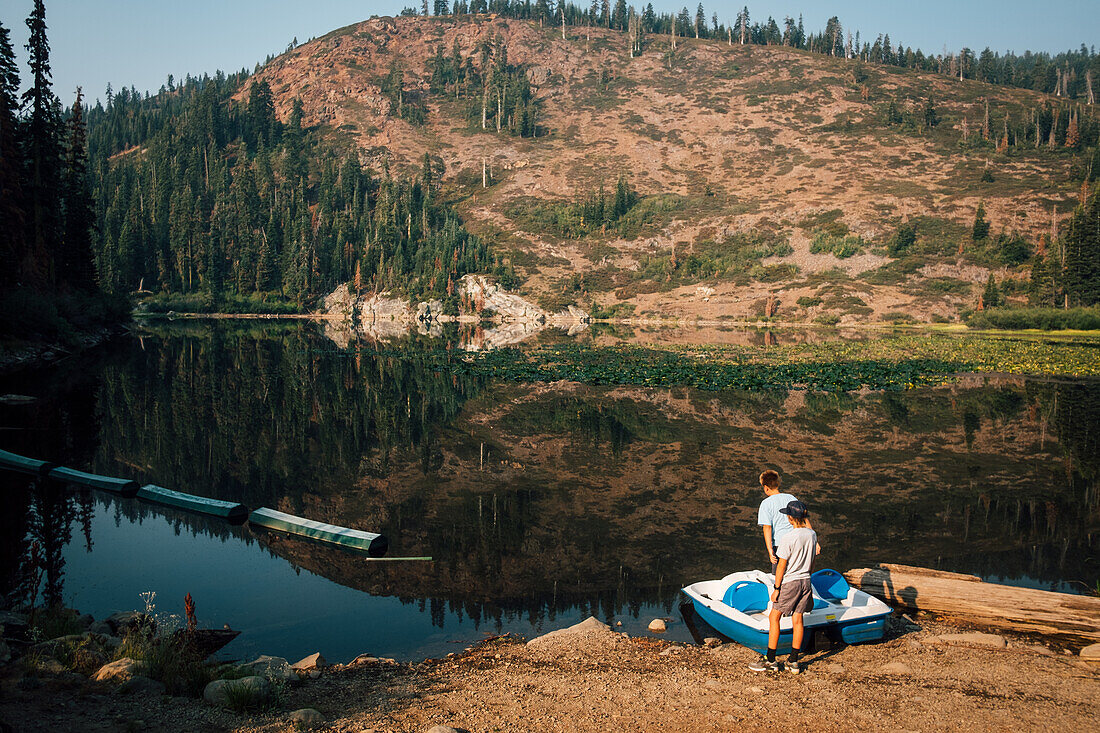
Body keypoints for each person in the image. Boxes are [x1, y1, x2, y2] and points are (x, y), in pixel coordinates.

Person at [750, 500, 818, 674]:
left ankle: (771, 660)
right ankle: (793, 661)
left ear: (790, 518)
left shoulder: (787, 538)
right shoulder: (812, 534)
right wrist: (807, 575)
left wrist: (777, 588)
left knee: (774, 617)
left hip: (790, 582)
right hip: (806, 580)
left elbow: (781, 566)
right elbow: (812, 559)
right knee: (798, 619)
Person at [756, 469, 801, 573]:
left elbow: (767, 527)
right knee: (795, 572)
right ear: (778, 484)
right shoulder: (791, 498)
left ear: (766, 488)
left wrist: (770, 550)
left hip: (780, 544)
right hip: (796, 542)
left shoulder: (766, 503)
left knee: (779, 575)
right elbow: (802, 519)